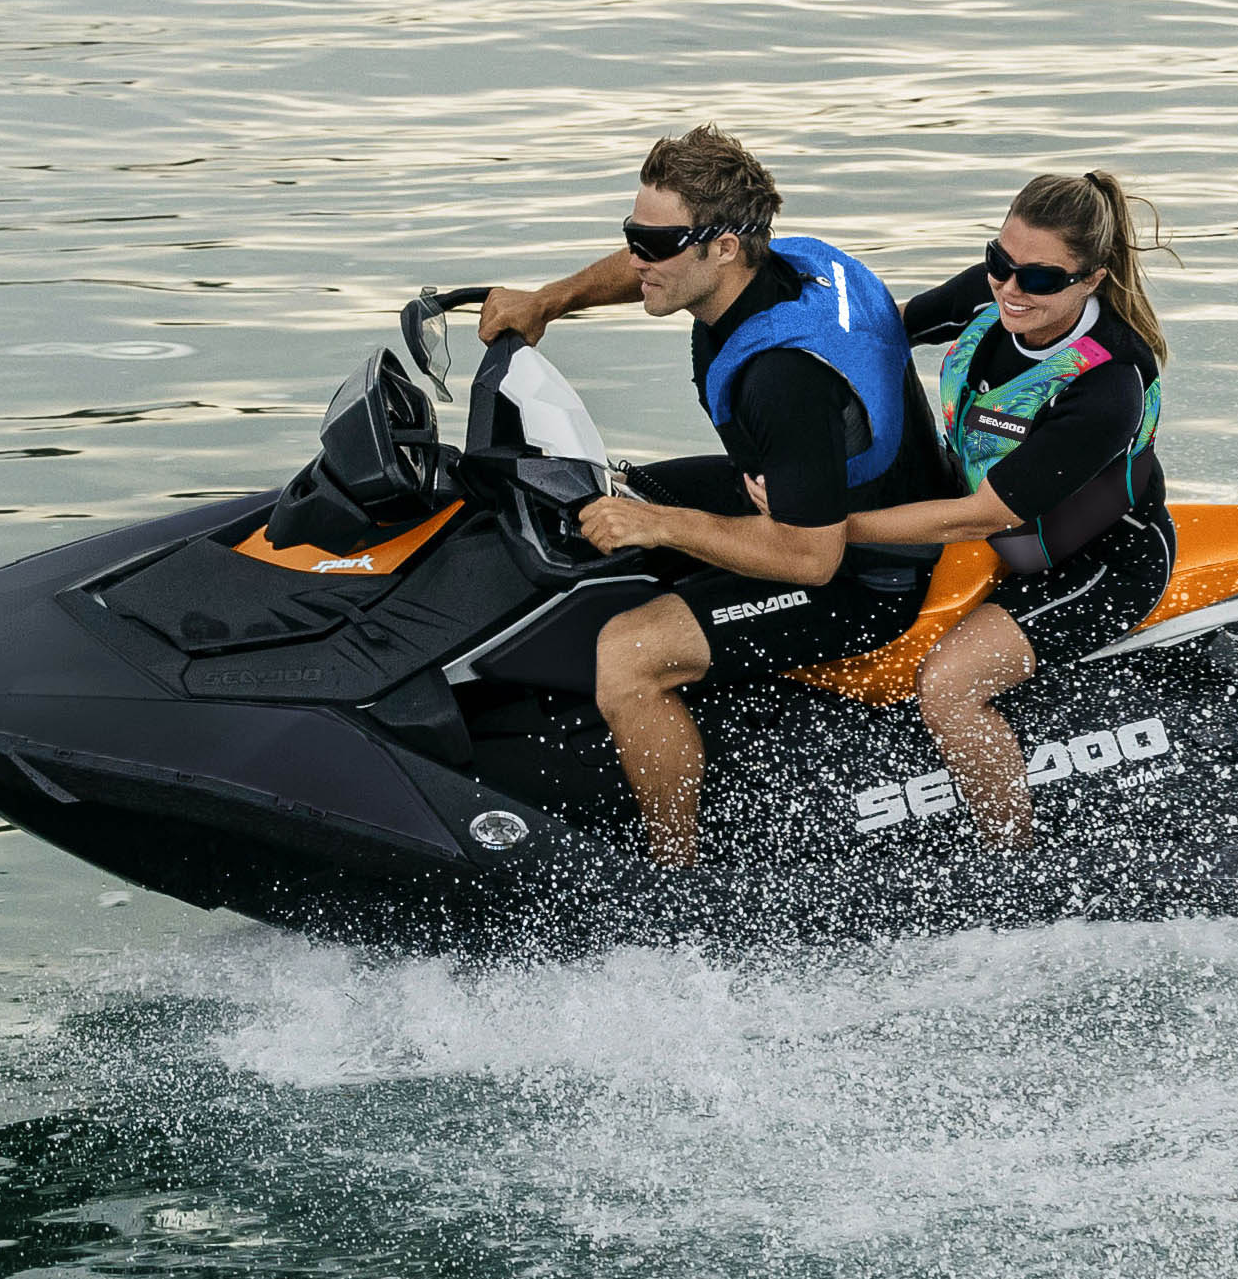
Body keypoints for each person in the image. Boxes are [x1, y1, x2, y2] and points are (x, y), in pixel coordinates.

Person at [477, 128, 955, 866]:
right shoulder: (785, 262)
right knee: (602, 494)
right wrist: (551, 299)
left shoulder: (782, 378)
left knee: (629, 652)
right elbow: (643, 270)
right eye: (632, 233)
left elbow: (810, 557)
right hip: (798, 486)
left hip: (870, 569)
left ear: (724, 247)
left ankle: (677, 875)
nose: (639, 257)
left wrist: (662, 525)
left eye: (656, 242)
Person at [843, 171, 1178, 848]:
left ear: (1091, 280)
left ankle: (1011, 860)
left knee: (947, 687)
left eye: (1039, 279)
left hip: (1100, 561)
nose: (1010, 289)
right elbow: (884, 334)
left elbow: (980, 515)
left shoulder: (1107, 383)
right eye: (1000, 262)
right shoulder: (995, 293)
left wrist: (827, 527)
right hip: (998, 520)